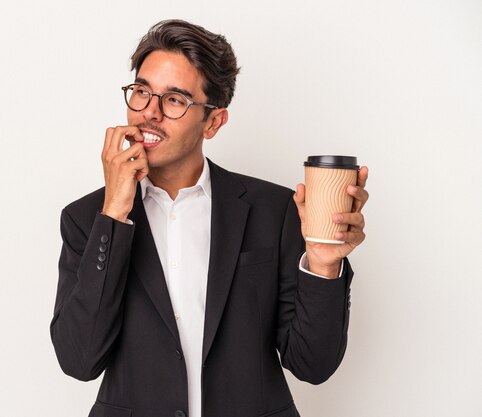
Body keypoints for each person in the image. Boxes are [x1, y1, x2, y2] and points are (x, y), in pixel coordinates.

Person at [50, 19, 369, 417]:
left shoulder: (275, 211)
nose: (149, 113)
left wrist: (324, 267)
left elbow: (312, 365)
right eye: (142, 91)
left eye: (174, 100)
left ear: (214, 121)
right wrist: (114, 213)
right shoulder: (86, 219)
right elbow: (79, 360)